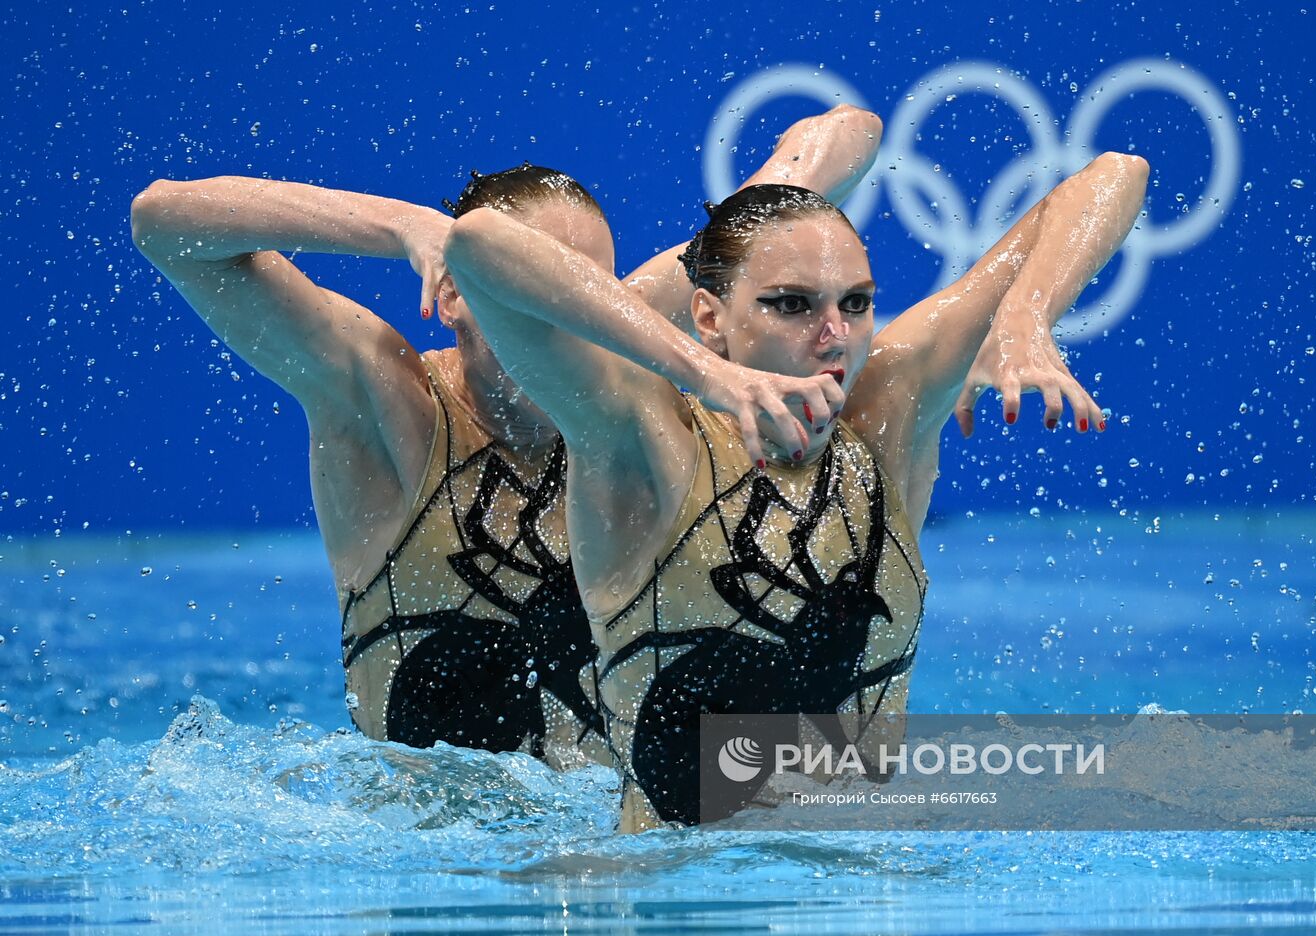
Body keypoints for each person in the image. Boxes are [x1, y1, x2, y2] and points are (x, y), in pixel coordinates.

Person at [128, 104, 884, 769]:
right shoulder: (390, 406)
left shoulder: (618, 378)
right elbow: (162, 221)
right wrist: (403, 227)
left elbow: (849, 132)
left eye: (582, 292)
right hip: (419, 851)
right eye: (531, 282)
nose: (559, 316)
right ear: (457, 290)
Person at [436, 152, 1149, 828]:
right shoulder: (644, 442)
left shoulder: (884, 420)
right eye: (792, 305)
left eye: (858, 302)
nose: (835, 334)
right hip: (667, 901)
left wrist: (1025, 316)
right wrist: (707, 375)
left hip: (858, 895)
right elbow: (476, 246)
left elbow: (1114, 176)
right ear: (711, 318)